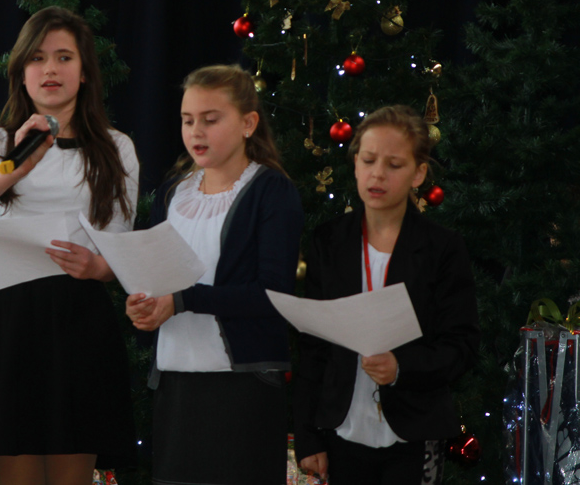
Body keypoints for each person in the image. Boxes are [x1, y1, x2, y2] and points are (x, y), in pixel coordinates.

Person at [0, 6, 139, 485]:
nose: (51, 70)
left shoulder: (116, 147)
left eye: (64, 57)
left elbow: (120, 244)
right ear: (21, 73)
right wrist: (19, 160)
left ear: (85, 72)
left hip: (78, 314)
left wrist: (97, 268)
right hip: (11, 318)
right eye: (37, 58)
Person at [125, 64, 303, 485]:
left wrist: (183, 300)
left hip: (243, 386)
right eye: (188, 120)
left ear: (248, 124)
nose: (196, 132)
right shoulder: (173, 192)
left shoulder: (271, 191)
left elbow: (273, 294)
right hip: (176, 383)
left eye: (210, 119)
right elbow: (157, 275)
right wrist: (145, 304)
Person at [294, 105, 479, 485]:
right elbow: (313, 347)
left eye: (394, 165)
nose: (377, 174)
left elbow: (461, 345)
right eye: (368, 160)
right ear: (355, 164)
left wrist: (401, 368)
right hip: (342, 431)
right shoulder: (329, 240)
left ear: (418, 173)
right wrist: (308, 436)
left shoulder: (442, 247)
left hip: (413, 433)